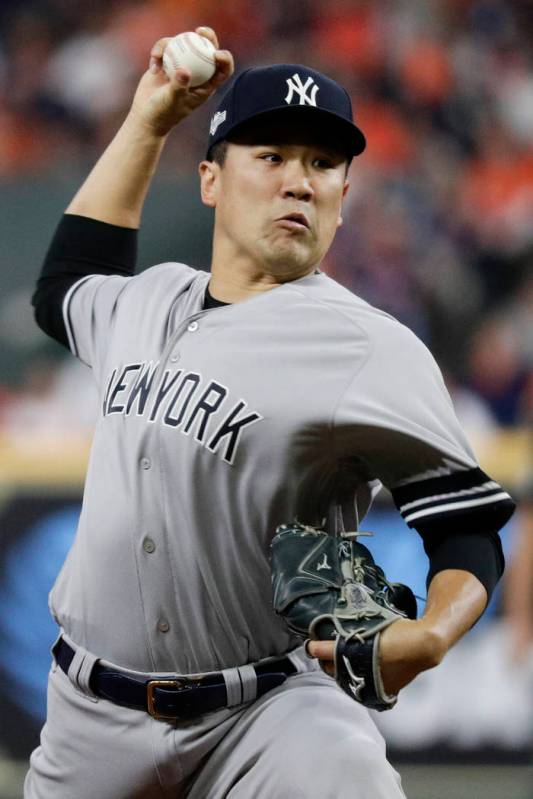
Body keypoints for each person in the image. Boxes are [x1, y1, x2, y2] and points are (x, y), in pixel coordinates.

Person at [26, 27, 515, 799]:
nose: (299, 181)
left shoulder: (367, 346)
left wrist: (432, 632)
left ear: (342, 200)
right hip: (89, 720)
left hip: (268, 714)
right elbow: (64, 287)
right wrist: (148, 120)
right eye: (271, 156)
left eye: (322, 164)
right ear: (211, 181)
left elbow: (465, 523)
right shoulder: (148, 297)